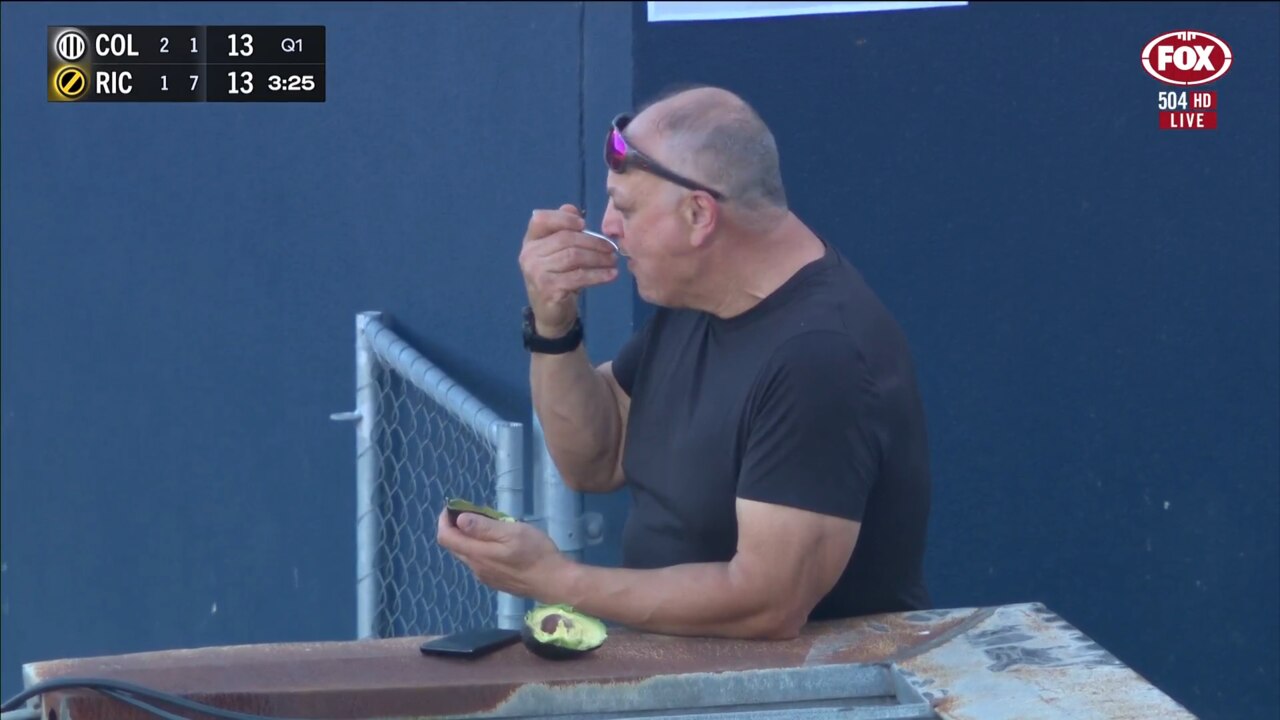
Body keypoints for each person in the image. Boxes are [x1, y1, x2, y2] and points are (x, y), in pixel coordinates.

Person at [438, 85, 931, 640]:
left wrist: (554, 580)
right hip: (687, 678)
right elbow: (596, 459)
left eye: (625, 208)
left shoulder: (820, 357)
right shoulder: (704, 295)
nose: (607, 226)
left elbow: (766, 604)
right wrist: (553, 326)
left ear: (700, 214)